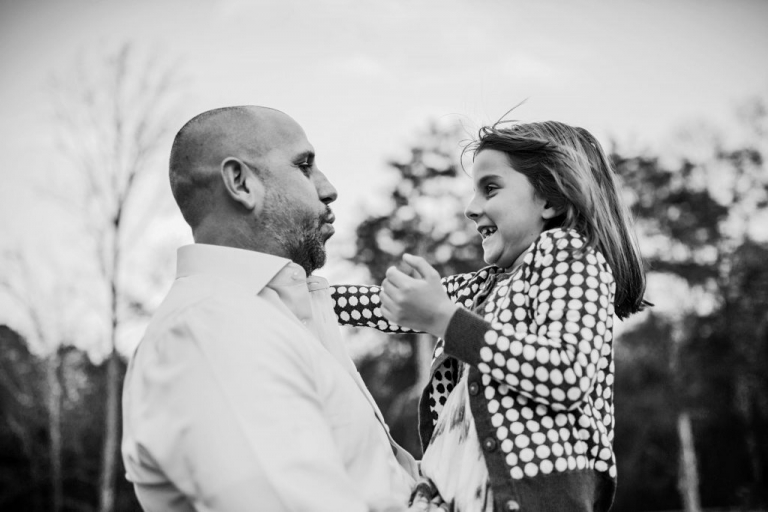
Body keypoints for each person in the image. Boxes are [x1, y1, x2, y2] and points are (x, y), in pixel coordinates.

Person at [121, 105, 433, 512]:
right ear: (240, 182)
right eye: (304, 166)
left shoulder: (276, 317)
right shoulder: (210, 331)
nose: (328, 188)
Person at [332, 120, 648, 511]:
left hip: (537, 492)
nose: (471, 208)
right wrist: (305, 292)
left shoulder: (569, 254)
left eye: (491, 188)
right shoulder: (486, 285)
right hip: (463, 493)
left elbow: (568, 374)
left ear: (551, 201)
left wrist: (447, 320)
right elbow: (389, 305)